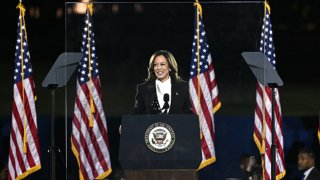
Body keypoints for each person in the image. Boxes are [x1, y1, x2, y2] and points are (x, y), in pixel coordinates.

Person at [132, 50, 193, 114]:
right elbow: (136, 115)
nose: (158, 68)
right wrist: (125, 123)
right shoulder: (143, 89)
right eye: (155, 65)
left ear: (170, 67)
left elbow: (188, 115)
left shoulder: (183, 87)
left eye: (162, 64)